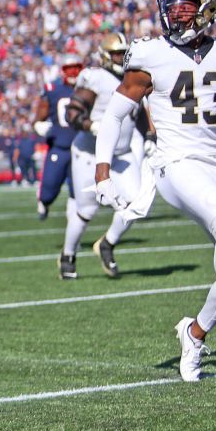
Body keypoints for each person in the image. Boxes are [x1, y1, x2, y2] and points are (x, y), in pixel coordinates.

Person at [94, 0, 216, 381]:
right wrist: (103, 173)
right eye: (172, 9)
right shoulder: (151, 54)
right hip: (172, 164)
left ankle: (195, 332)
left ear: (206, 10)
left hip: (214, 164)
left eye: (186, 8)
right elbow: (114, 115)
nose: (177, 17)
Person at [57, 32, 154, 279]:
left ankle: (107, 244)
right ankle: (68, 255)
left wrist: (151, 135)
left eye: (123, 53)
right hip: (90, 152)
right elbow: (73, 112)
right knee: (86, 210)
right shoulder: (95, 77)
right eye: (116, 54)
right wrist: (90, 125)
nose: (121, 58)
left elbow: (139, 113)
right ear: (105, 55)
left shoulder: (136, 77)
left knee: (136, 203)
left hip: (121, 154)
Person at [32, 54, 84, 220]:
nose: (73, 72)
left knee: (78, 193)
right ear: (63, 71)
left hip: (82, 148)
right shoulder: (53, 89)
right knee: (49, 191)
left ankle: (74, 223)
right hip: (59, 146)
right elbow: (40, 116)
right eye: (69, 69)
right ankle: (43, 200)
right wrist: (39, 124)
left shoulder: (87, 88)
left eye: (76, 68)